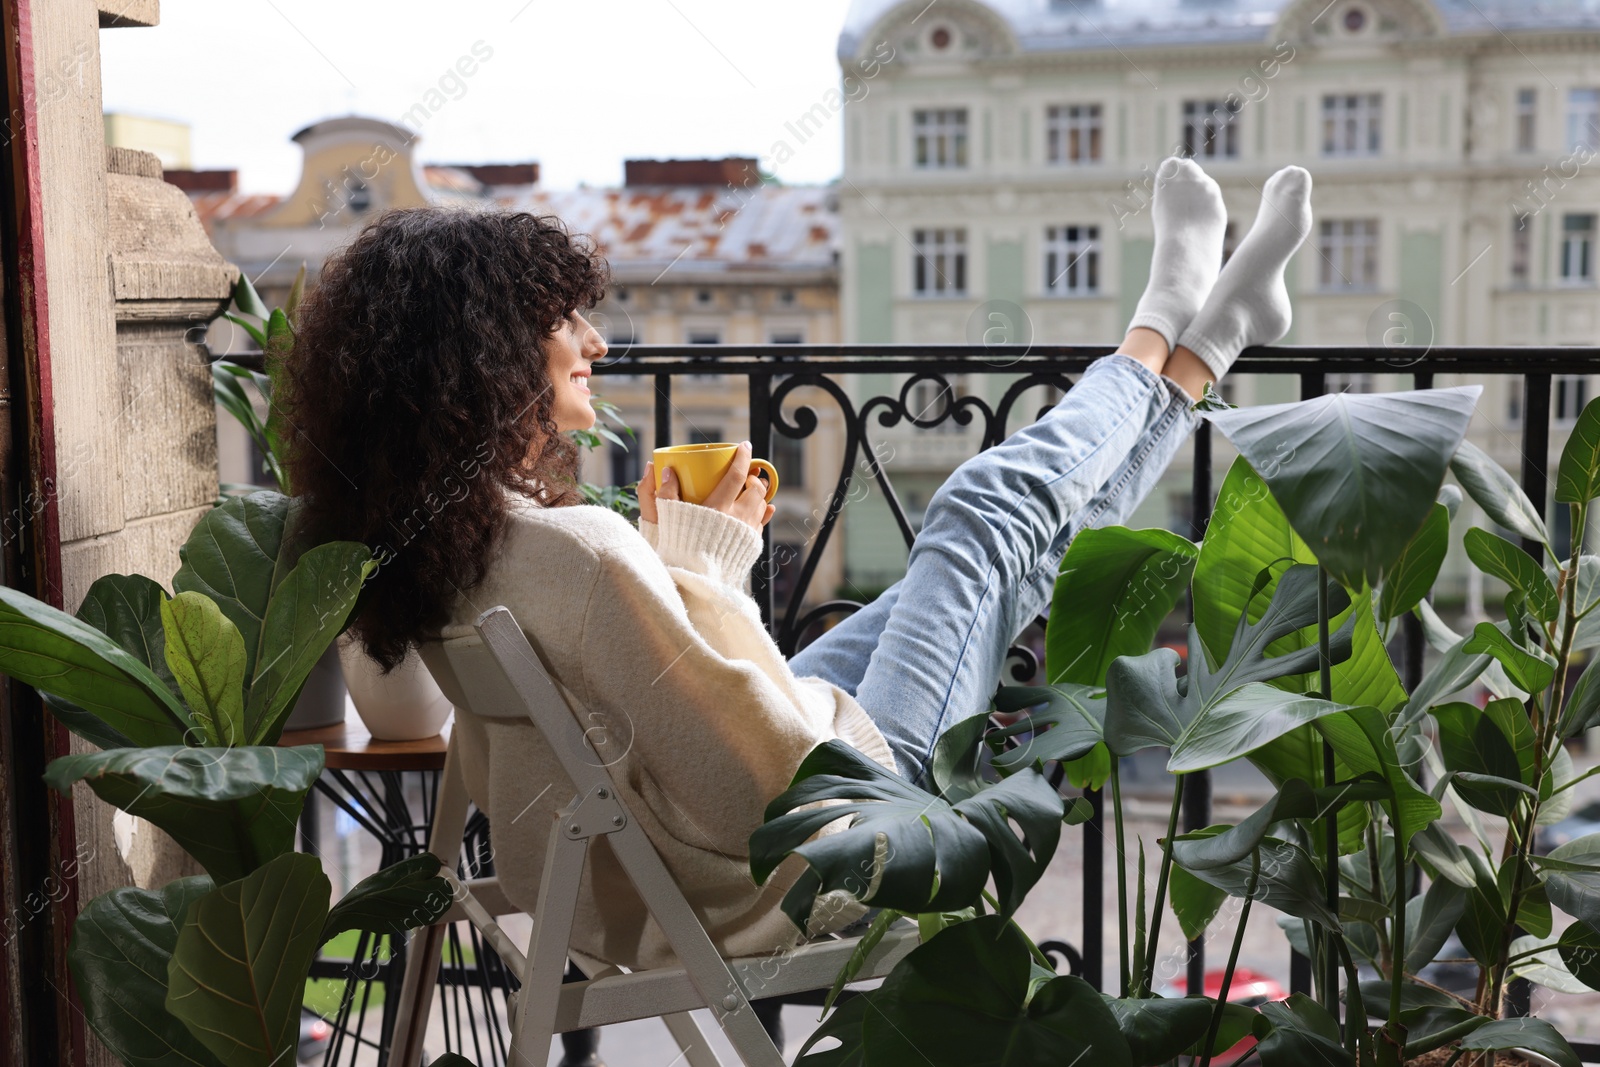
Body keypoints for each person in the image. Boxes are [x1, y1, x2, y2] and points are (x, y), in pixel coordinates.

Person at [281, 158, 1313, 974]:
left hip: (675, 855)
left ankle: (1201, 342)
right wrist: (711, 561)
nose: (592, 337)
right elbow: (752, 786)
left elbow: (659, 718)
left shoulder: (446, 536)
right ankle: (1158, 333)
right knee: (982, 515)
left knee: (987, 571)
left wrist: (690, 568)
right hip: (830, 838)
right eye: (563, 318)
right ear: (488, 352)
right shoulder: (579, 551)